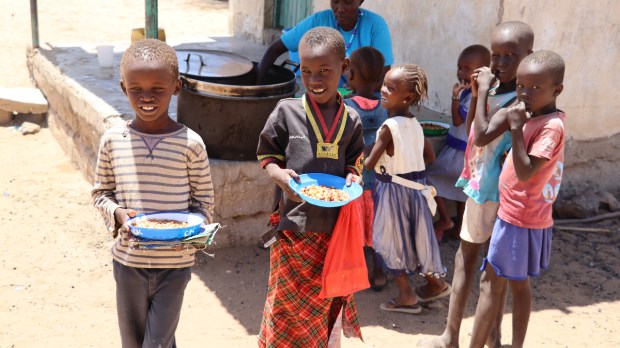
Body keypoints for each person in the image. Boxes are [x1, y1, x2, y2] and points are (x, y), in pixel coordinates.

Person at [91, 38, 215, 348]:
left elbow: (204, 205)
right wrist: (118, 214)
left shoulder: (190, 144)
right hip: (128, 262)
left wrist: (191, 231)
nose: (147, 97)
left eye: (157, 89)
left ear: (176, 87)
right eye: (136, 89)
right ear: (123, 88)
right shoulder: (112, 140)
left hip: (175, 264)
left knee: (157, 342)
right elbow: (100, 193)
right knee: (133, 342)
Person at [417, 21, 534, 348]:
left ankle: (491, 340)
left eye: (512, 55)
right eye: (496, 55)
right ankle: (450, 336)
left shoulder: (521, 99)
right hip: (480, 185)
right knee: (465, 259)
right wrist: (476, 93)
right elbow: (471, 129)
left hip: (502, 194)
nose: (501, 62)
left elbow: (483, 135)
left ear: (529, 57)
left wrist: (481, 91)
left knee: (493, 275)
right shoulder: (494, 89)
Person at [256, 27, 365, 347]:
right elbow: (267, 154)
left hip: (334, 233)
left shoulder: (352, 119)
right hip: (293, 226)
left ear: (344, 68)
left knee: (323, 304)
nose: (315, 80)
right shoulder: (286, 111)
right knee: (286, 306)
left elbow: (356, 161)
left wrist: (354, 177)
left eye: (324, 72)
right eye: (306, 72)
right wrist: (277, 174)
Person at [468, 50, 566, 348]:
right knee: (513, 284)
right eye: (522, 85)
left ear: (556, 90)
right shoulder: (533, 116)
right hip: (513, 214)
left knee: (494, 283)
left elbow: (525, 172)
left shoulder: (551, 126)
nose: (525, 92)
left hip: (521, 219)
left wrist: (515, 129)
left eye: (536, 87)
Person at [365, 64, 450, 315]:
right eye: (383, 84)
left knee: (389, 241)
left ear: (408, 97)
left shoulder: (388, 128)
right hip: (416, 189)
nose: (382, 90)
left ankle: (406, 296)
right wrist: (408, 162)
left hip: (393, 193)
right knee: (417, 239)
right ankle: (435, 283)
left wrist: (361, 150)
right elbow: (430, 157)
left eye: (390, 88)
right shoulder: (416, 124)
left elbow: (370, 164)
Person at [425, 44, 491, 241]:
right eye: (459, 67)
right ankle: (459, 228)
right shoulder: (472, 93)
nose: (461, 73)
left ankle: (445, 219)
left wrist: (455, 96)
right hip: (465, 152)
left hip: (459, 152)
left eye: (467, 69)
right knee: (463, 190)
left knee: (430, 178)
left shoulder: (473, 97)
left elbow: (456, 120)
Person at [256, 0, 393, 87]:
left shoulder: (375, 26)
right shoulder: (319, 20)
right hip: (324, 94)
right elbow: (275, 49)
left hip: (363, 99)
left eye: (348, 2)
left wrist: (360, 89)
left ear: (360, 1)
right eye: (335, 1)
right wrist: (256, 84)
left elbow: (383, 75)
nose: (340, 8)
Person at [344, 46, 389, 291]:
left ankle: (352, 272)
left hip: (355, 183)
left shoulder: (346, 106)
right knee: (377, 231)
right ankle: (379, 273)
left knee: (354, 230)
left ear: (351, 75)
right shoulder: (386, 105)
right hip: (381, 182)